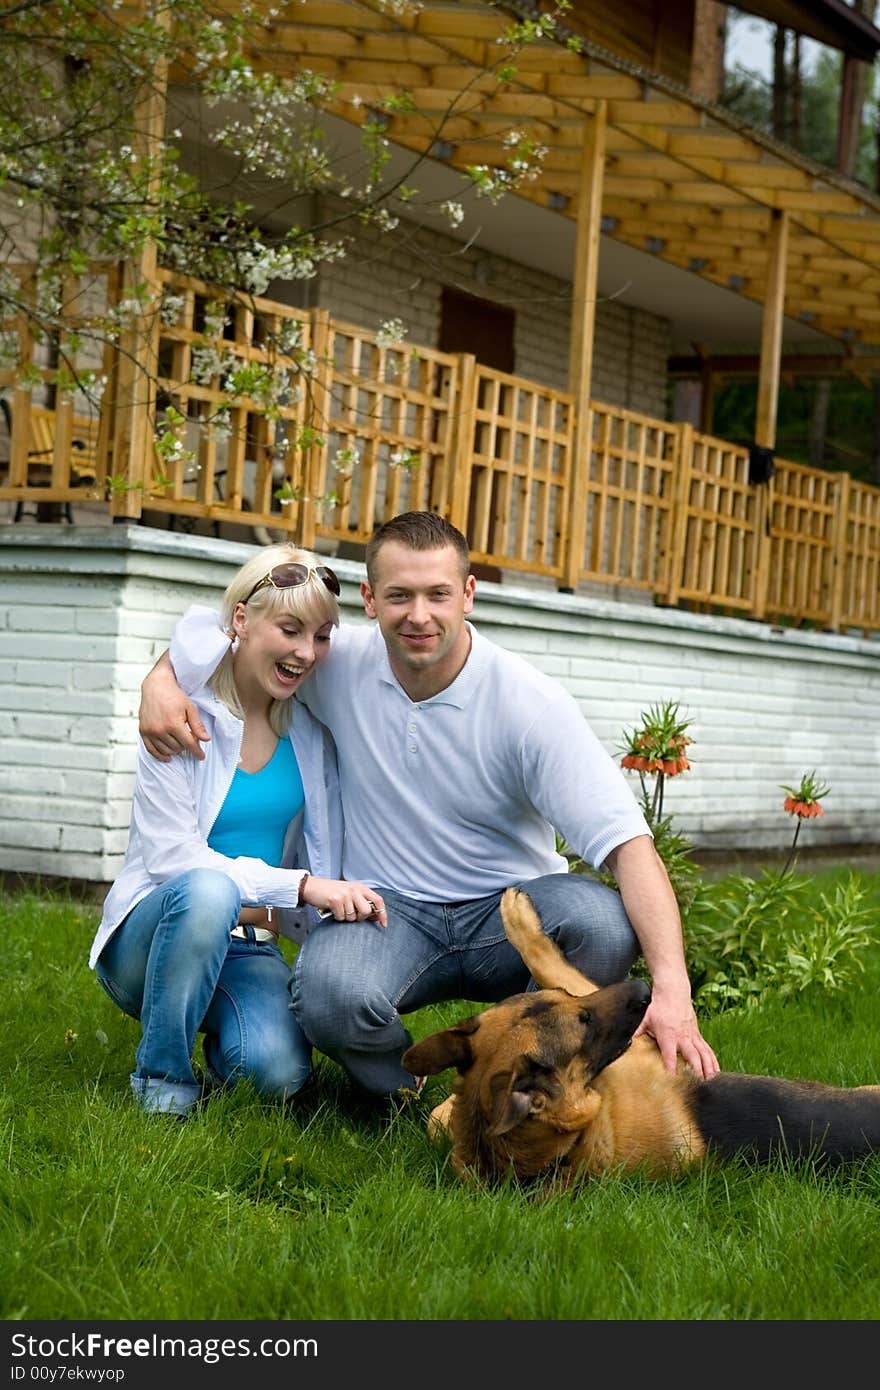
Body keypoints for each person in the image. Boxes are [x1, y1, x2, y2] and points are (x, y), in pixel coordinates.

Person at [139, 512, 718, 1101]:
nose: (419, 615)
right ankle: (416, 1093)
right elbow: (232, 637)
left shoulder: (529, 704)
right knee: (326, 992)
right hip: (387, 912)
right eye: (400, 596)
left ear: (468, 594)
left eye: (438, 593)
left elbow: (628, 846)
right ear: (369, 599)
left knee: (600, 923)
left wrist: (674, 993)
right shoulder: (330, 663)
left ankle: (534, 1073)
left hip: (505, 913)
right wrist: (162, 679)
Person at [91, 543, 386, 1118]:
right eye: (290, 629)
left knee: (275, 1075)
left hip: (247, 950)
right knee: (207, 889)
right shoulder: (180, 719)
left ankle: (230, 1046)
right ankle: (163, 1084)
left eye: (321, 635)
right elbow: (175, 863)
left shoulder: (310, 735)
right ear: (243, 622)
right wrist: (295, 889)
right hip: (152, 939)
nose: (306, 651)